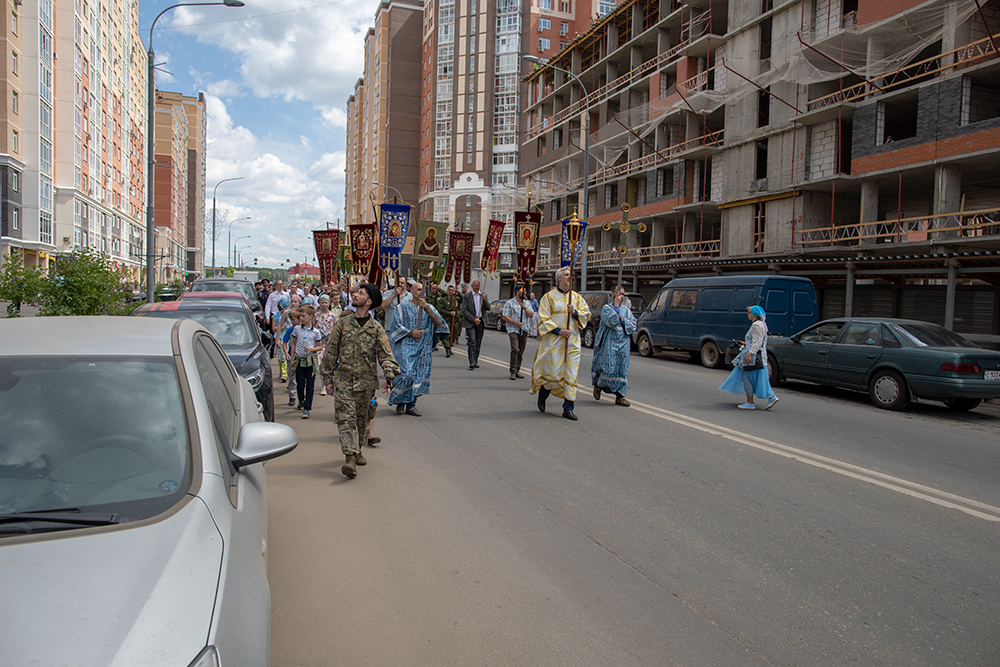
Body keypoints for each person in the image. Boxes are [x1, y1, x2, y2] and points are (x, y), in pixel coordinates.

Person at [320, 283, 400, 479]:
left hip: (366, 384)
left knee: (361, 421)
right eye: (355, 292)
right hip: (344, 382)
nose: (355, 295)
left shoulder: (376, 328)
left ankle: (358, 450)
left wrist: (389, 373)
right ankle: (349, 459)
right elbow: (331, 352)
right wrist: (328, 378)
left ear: (369, 301)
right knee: (345, 420)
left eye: (360, 293)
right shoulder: (342, 323)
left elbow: (385, 355)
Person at [531, 266, 591, 420]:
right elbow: (543, 318)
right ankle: (543, 394)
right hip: (555, 343)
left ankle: (568, 408)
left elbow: (586, 314)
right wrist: (559, 330)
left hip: (572, 343)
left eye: (571, 275)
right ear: (559, 278)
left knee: (571, 374)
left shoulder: (576, 298)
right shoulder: (549, 297)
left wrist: (575, 312)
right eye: (566, 275)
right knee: (554, 373)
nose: (569, 277)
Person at [387, 279, 448, 417]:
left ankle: (411, 405)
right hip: (406, 346)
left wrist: (426, 308)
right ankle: (400, 401)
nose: (421, 292)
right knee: (407, 374)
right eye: (418, 289)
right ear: (412, 291)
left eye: (422, 290)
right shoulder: (402, 307)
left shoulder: (429, 307)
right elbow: (395, 326)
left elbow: (439, 322)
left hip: (423, 347)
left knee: (419, 376)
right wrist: (411, 333)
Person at [719, 305, 779, 410]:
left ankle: (751, 402)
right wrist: (744, 343)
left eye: (749, 313)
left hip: (753, 357)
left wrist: (750, 353)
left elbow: (758, 341)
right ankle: (769, 397)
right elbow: (756, 340)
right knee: (759, 379)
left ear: (754, 314)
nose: (748, 315)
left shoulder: (756, 325)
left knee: (748, 378)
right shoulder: (762, 324)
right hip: (760, 356)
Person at [590, 285, 637, 407]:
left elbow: (632, 325)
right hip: (610, 343)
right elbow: (611, 321)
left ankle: (620, 396)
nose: (621, 296)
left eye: (622, 294)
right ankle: (599, 385)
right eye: (619, 294)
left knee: (622, 369)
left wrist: (622, 319)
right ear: (612, 294)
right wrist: (616, 309)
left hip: (623, 344)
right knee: (609, 369)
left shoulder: (626, 310)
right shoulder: (607, 308)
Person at [289, 305, 324, 419]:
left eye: (303, 316)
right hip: (299, 359)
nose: (301, 318)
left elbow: (320, 346)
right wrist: (292, 356)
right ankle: (301, 400)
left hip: (310, 361)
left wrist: (312, 349)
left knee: (310, 385)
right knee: (300, 384)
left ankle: (307, 408)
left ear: (310, 317)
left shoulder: (316, 332)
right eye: (300, 316)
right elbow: (293, 343)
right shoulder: (297, 329)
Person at [502, 283, 534, 380]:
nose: (525, 293)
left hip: (524, 329)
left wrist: (524, 308)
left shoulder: (527, 303)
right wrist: (516, 323)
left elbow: (531, 315)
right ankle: (512, 371)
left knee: (521, 351)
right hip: (513, 329)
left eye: (525, 291)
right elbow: (505, 316)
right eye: (523, 291)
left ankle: (517, 370)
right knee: (515, 349)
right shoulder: (510, 303)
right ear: (517, 292)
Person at [461, 279, 490, 370]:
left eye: (478, 285)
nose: (477, 287)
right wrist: (474, 319)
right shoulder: (467, 296)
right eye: (475, 286)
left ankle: (475, 359)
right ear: (472, 286)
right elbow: (464, 310)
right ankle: (471, 361)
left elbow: (488, 307)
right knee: (472, 341)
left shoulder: (483, 295)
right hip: (471, 322)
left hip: (480, 322)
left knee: (478, 342)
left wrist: (484, 299)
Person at [314, 294, 337, 395]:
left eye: (326, 302)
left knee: (330, 363)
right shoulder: (316, 315)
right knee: (320, 364)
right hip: (320, 343)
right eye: (322, 302)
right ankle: (323, 385)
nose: (324, 304)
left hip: (330, 343)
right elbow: (313, 328)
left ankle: (330, 383)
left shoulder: (333, 315)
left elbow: (336, 329)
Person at [434, 284, 461, 357]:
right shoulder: (443, 300)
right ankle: (447, 349)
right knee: (447, 335)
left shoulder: (456, 299)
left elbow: (462, 298)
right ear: (447, 291)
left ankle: (450, 346)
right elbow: (440, 309)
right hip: (447, 320)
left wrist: (458, 292)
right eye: (449, 290)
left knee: (454, 334)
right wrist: (449, 313)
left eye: (452, 290)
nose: (451, 292)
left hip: (454, 320)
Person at [271, 295, 292, 382]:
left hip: (288, 337)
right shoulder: (276, 315)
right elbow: (274, 328)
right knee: (280, 355)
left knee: (285, 354)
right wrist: (282, 327)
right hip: (280, 336)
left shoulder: (290, 313)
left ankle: (284, 373)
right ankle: (282, 371)